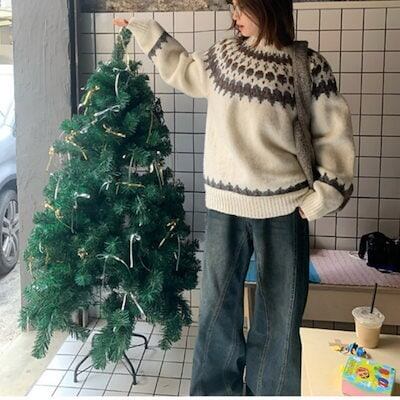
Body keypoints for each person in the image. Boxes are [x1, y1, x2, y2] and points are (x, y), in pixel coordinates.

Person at [113, 0, 355, 395]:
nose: (234, 16)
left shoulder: (308, 66)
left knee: (280, 315)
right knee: (216, 310)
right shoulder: (223, 56)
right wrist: (147, 30)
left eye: (242, 7)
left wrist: (325, 194)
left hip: (285, 209)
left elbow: (333, 134)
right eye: (233, 7)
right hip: (224, 207)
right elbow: (183, 70)